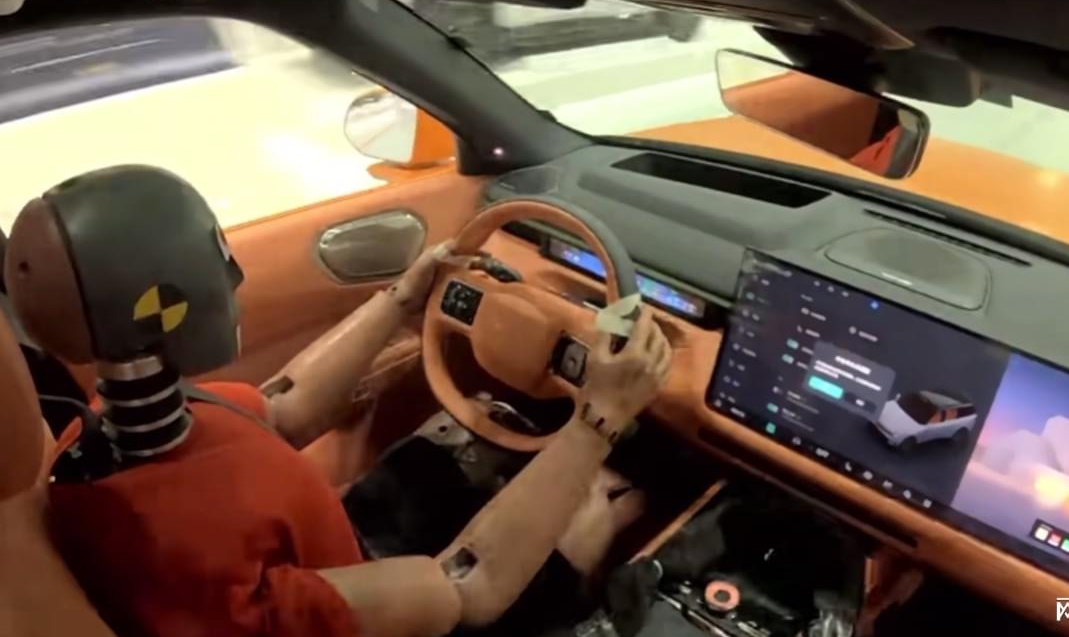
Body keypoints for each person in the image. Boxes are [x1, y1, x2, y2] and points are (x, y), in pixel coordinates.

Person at [3, 165, 671, 637]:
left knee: (473, 433)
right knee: (605, 509)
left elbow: (283, 406)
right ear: (172, 303)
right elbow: (467, 584)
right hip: (387, 602)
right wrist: (597, 421)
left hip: (332, 558)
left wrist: (404, 297)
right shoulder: (209, 584)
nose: (233, 275)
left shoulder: (94, 443)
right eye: (217, 257)